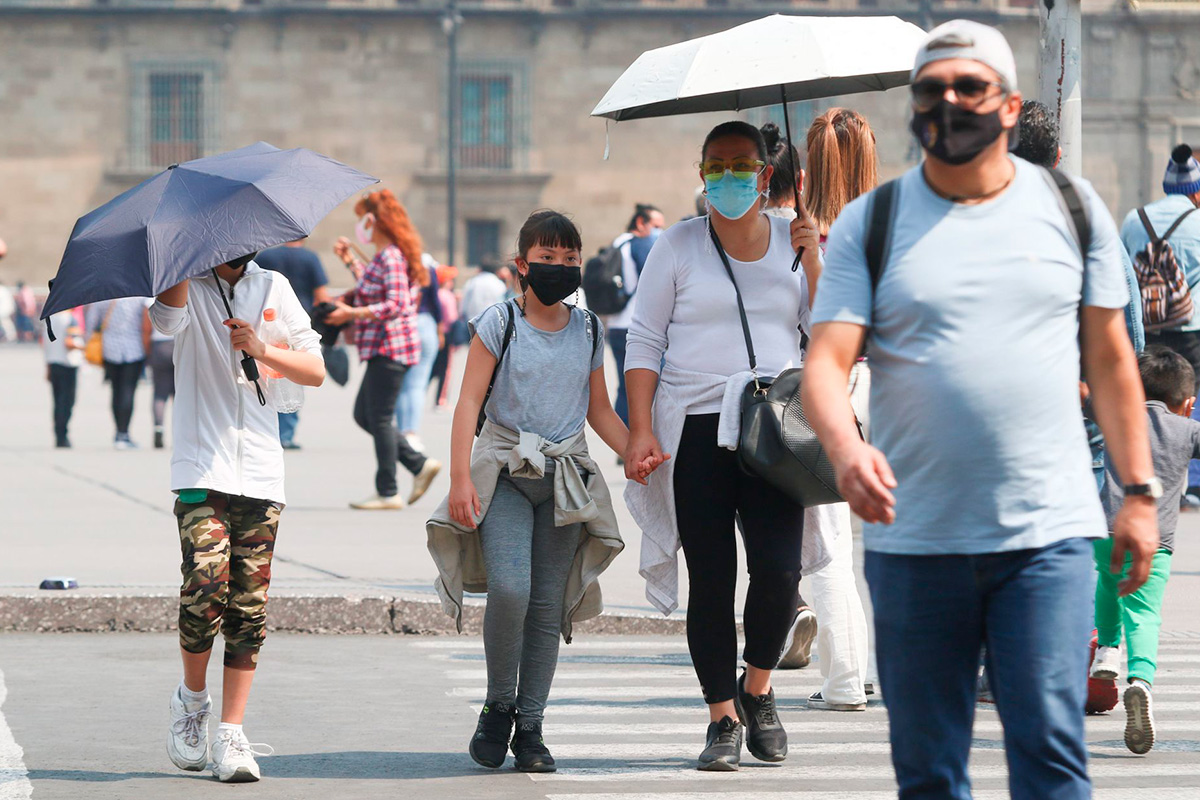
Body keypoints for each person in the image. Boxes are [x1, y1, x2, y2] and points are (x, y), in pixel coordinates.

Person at [804, 20, 1158, 800]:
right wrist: (845, 448)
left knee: (1050, 757)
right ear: (913, 105)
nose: (950, 103)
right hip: (916, 541)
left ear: (1010, 105)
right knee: (928, 772)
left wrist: (1138, 493)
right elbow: (825, 364)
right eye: (933, 90)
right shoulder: (877, 221)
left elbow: (1111, 362)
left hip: (1047, 540)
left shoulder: (1071, 207)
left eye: (971, 87)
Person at [624, 120, 823, 771]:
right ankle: (721, 719)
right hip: (698, 431)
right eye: (716, 165)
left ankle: (757, 687)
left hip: (775, 430)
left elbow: (827, 335)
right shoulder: (676, 245)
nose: (728, 177)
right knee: (711, 580)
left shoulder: (794, 242)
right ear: (701, 171)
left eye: (742, 166)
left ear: (766, 176)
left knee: (779, 572)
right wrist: (642, 426)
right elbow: (644, 342)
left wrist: (815, 260)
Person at [427, 210, 650, 773]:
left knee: (548, 605)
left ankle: (531, 726)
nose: (560, 268)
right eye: (547, 259)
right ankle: (498, 704)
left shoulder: (589, 328)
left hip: (565, 479)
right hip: (502, 475)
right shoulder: (499, 322)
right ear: (522, 265)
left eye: (570, 259)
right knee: (510, 589)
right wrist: (459, 479)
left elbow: (599, 410)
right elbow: (467, 404)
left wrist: (634, 453)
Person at [151, 252, 325, 783]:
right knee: (205, 587)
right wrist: (179, 257)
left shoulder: (273, 285)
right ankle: (193, 701)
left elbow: (315, 370)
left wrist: (261, 347)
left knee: (248, 605)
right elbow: (165, 322)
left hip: (262, 471)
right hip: (202, 465)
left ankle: (231, 732)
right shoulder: (184, 285)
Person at [759, 116, 876, 712]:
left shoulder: (802, 235)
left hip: (819, 388)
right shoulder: (880, 228)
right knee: (842, 541)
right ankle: (854, 668)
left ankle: (846, 678)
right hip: (869, 385)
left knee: (824, 540)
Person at [1091, 346, 1198, 754]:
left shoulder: (1115, 415)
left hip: (1103, 532)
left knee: (1107, 581)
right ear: (1187, 403)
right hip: (1154, 542)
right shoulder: (1188, 429)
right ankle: (1140, 681)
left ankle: (1105, 651)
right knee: (1144, 612)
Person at [330, 189, 441, 510]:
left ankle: (388, 490)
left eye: (363, 217)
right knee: (366, 415)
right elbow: (371, 289)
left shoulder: (391, 256)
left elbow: (395, 303)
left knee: (376, 417)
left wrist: (350, 314)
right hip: (383, 347)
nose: (359, 225)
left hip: (390, 347)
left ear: (374, 221)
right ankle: (418, 465)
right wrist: (350, 260)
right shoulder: (385, 256)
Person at [1122, 144, 1200, 386]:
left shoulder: (1135, 219)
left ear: (1167, 187)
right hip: (1192, 334)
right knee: (1191, 406)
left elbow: (1122, 273)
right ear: (1196, 191)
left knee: (1153, 405)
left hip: (1147, 334)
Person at [255, 239, 331, 450]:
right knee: (290, 379)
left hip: (265, 324)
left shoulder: (266, 256)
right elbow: (321, 297)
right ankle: (285, 435)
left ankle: (264, 430)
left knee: (264, 376)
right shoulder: (311, 258)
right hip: (297, 326)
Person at [607, 204, 665, 425]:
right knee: (653, 385)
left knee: (624, 387)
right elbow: (655, 279)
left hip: (616, 325)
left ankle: (623, 442)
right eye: (656, 226)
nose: (659, 232)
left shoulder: (617, 243)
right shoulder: (640, 244)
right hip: (637, 327)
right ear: (641, 223)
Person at [86, 296, 151, 449]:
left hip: (110, 348)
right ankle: (124, 433)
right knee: (128, 391)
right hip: (134, 348)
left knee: (115, 391)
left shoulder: (103, 296)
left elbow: (91, 323)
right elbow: (145, 325)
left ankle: (118, 432)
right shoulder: (139, 297)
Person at [395, 253, 443, 452]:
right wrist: (440, 329)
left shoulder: (395, 266)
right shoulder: (427, 269)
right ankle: (411, 432)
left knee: (401, 384)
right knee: (417, 384)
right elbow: (436, 303)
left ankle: (400, 432)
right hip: (424, 323)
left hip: (402, 324)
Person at [44, 307, 83, 448]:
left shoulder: (50, 317)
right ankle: (63, 433)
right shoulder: (70, 318)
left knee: (57, 400)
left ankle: (58, 433)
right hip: (68, 364)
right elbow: (69, 342)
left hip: (54, 363)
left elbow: (46, 344)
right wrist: (84, 346)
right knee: (67, 402)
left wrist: (47, 366)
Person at [147, 305, 176, 450]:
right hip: (179, 343)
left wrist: (147, 351)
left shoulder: (150, 296)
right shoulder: (188, 287)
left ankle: (158, 427)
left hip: (159, 345)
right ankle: (180, 432)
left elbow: (145, 327)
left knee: (159, 393)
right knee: (181, 394)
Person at [431, 264, 460, 408]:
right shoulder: (447, 296)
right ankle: (441, 399)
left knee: (434, 366)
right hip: (447, 334)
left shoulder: (434, 293)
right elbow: (452, 317)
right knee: (446, 369)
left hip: (434, 333)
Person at [460, 257, 510, 322]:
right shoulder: (499, 284)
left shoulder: (472, 282)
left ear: (480, 269)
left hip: (472, 321)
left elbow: (464, 304)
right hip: (492, 321)